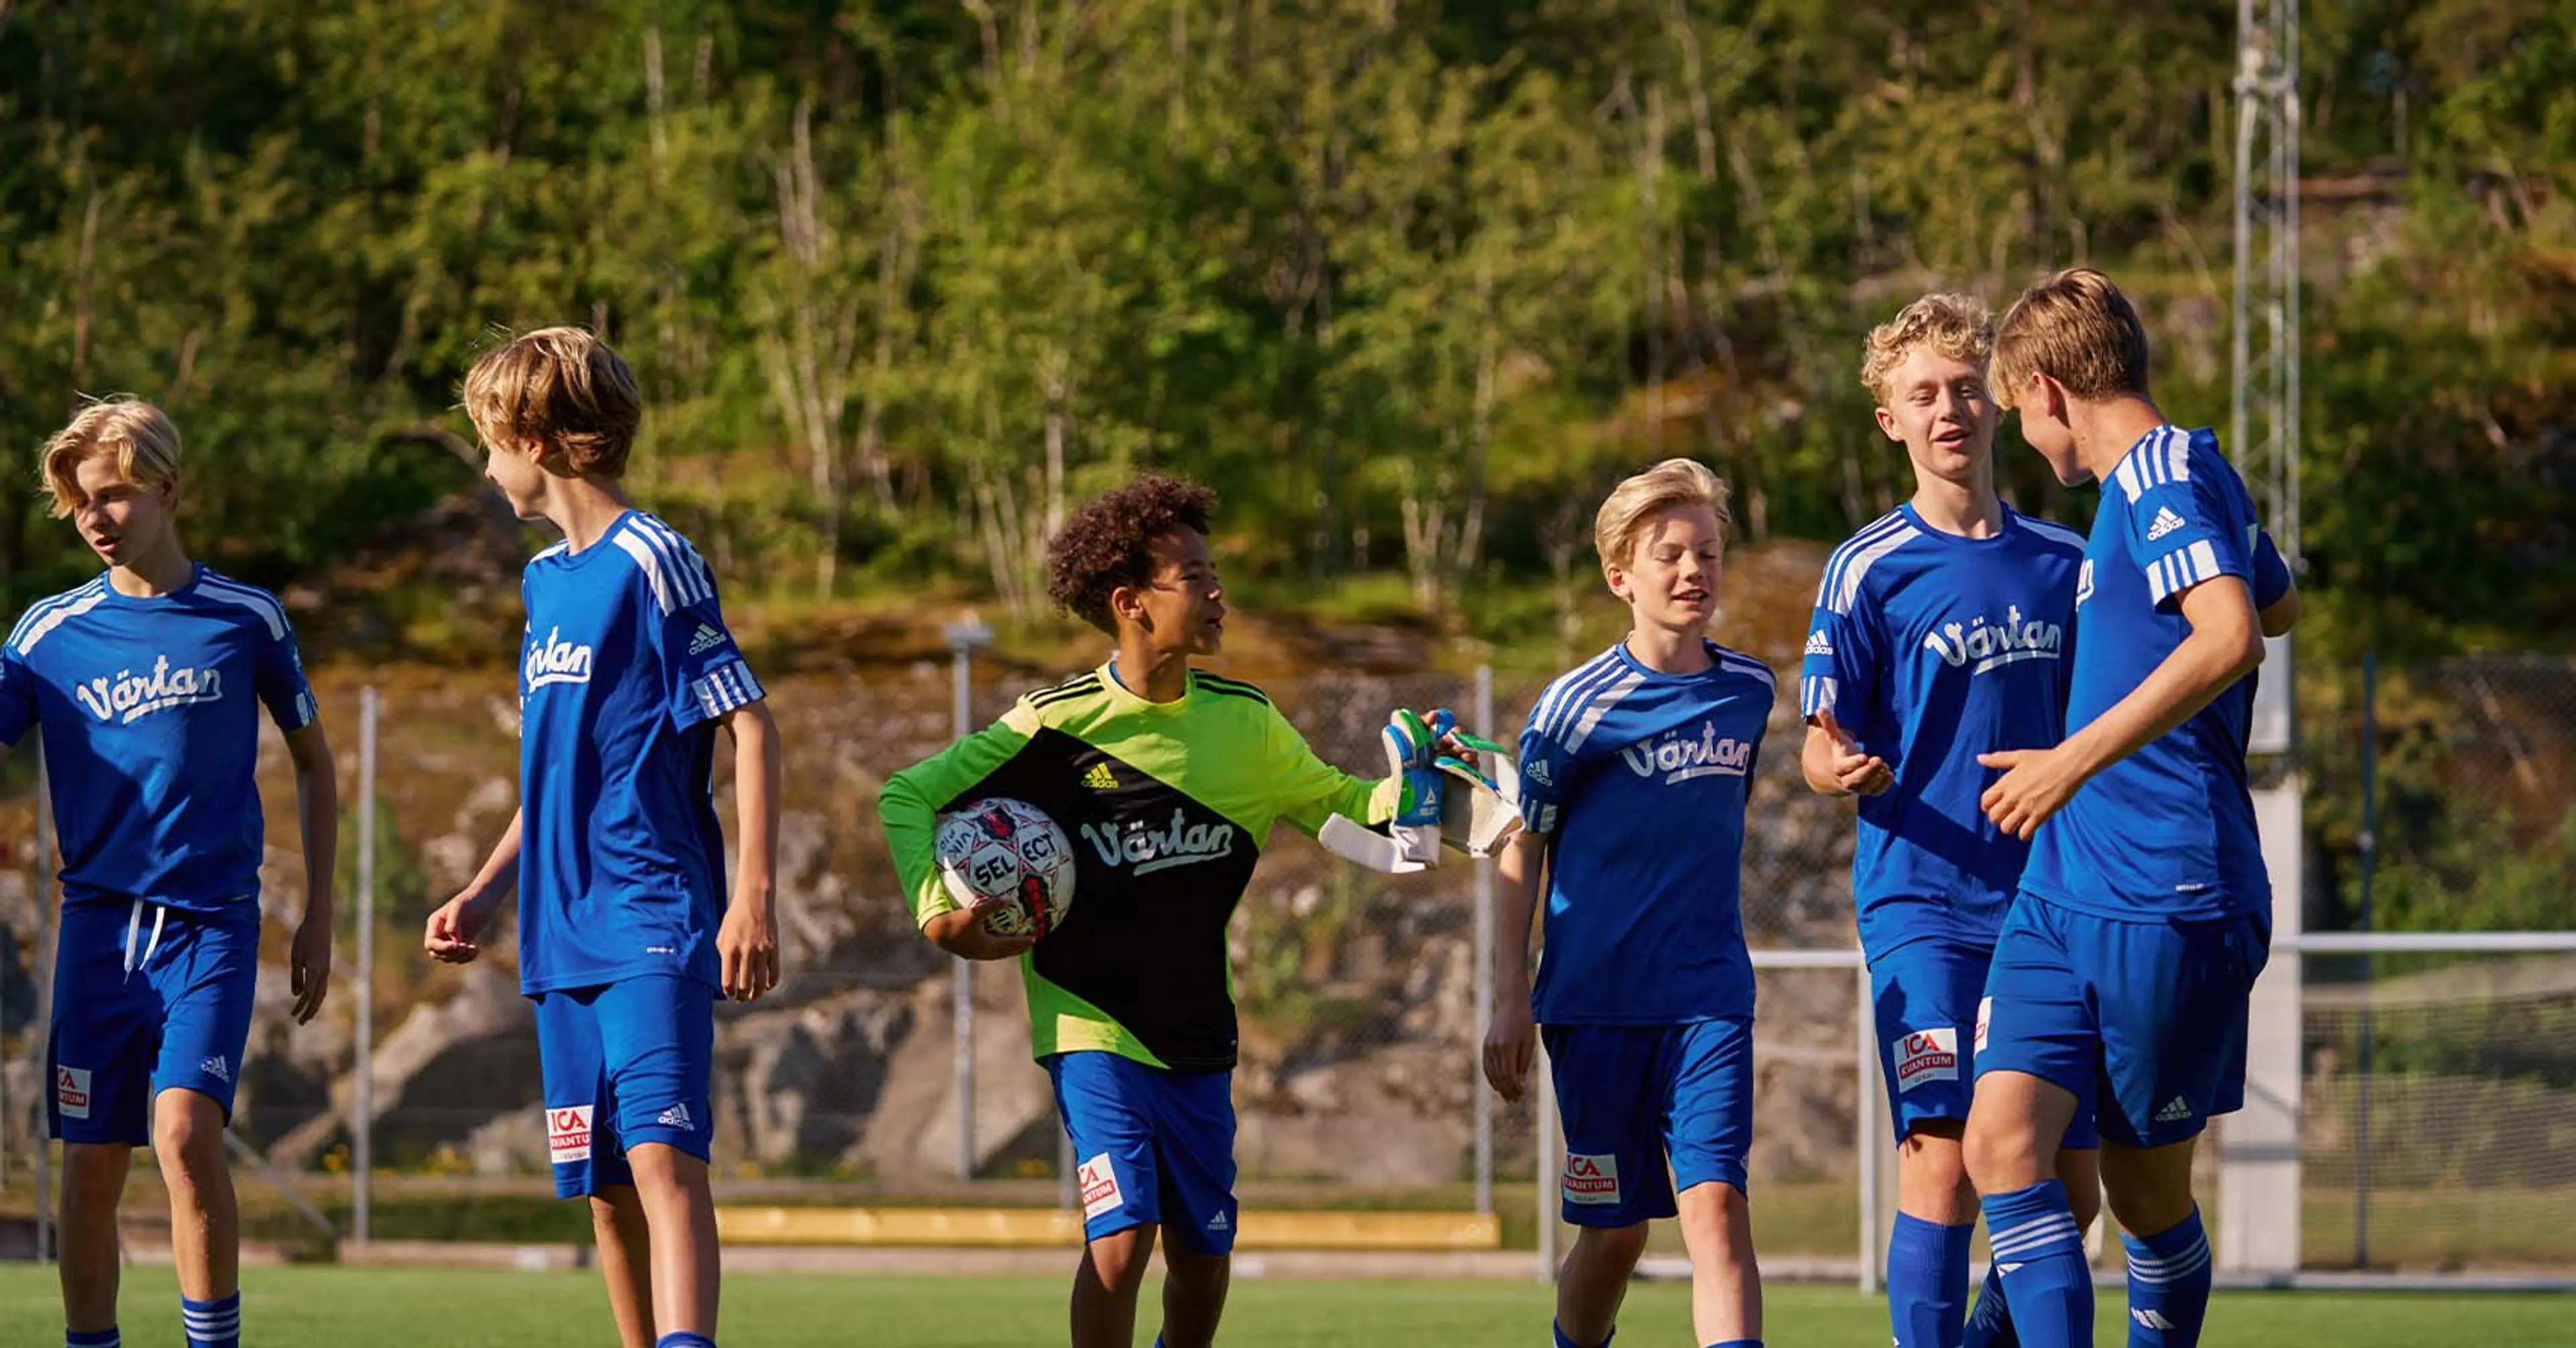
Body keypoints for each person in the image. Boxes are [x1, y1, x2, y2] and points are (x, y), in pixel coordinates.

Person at [877, 473, 1454, 1348]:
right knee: (1120, 1241)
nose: (1219, 593)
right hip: (1090, 1024)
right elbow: (906, 795)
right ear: (1131, 603)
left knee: (1202, 1259)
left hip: (1195, 1030)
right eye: (1195, 578)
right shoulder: (1052, 727)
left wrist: (1418, 787)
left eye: (1216, 574)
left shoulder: (1248, 725)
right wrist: (936, 912)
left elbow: (1349, 814)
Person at [424, 327, 784, 1348]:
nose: (485, 467)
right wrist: (486, 889)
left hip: (649, 912)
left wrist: (752, 899)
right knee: (606, 1188)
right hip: (558, 932)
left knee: (666, 1160)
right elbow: (555, 774)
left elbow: (752, 724)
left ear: (534, 440)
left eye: (489, 442)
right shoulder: (545, 583)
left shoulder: (654, 559)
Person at [1966, 268, 2299, 1348]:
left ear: (2049, 391)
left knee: (2146, 1198)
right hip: (2063, 884)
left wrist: (2069, 760)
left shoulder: (2163, 472)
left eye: (2018, 410)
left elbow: (2235, 634)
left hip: (2171, 889)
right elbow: (2281, 600)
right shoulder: (2172, 481)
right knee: (2000, 1143)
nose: (2025, 437)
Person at [1796, 293, 2102, 1348]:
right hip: (1922, 905)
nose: (1948, 410)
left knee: (2071, 1186)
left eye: (1966, 388)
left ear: (2000, 402)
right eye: (1923, 394)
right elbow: (1817, 741)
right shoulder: (1867, 568)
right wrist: (1836, 766)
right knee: (1940, 1155)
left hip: (2049, 907)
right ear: (1891, 421)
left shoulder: (2065, 562)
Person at [7, 397, 337, 1348]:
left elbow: (315, 765)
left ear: (169, 489)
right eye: (81, 503)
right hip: (97, 936)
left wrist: (319, 913)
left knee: (186, 1135)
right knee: (89, 1168)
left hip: (211, 926)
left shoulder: (245, 617)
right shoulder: (47, 634)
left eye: (113, 494)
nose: (96, 517)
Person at [1482, 458, 1773, 1348]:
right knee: (1614, 1235)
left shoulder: (1750, 691)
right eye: (1670, 555)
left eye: (1708, 553)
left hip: (1708, 998)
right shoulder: (1572, 709)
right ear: (1621, 578)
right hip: (1595, 1006)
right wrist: (1509, 997)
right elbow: (1520, 844)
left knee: (1716, 1207)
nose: (1694, 571)